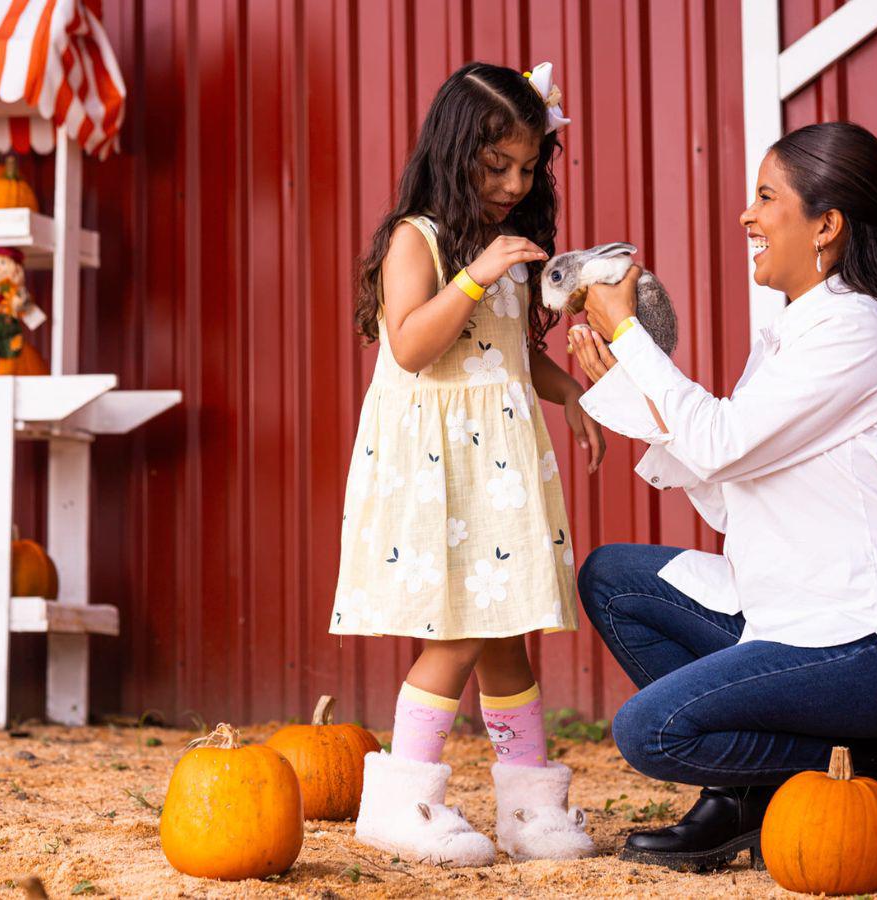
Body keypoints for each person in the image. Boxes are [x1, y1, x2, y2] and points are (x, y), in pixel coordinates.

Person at [569, 121, 877, 874]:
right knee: (613, 580)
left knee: (652, 732)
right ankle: (752, 795)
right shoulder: (797, 332)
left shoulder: (855, 332)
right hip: (802, 606)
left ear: (826, 225)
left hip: (872, 637)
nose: (748, 217)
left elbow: (721, 441)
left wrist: (631, 337)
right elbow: (735, 492)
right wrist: (621, 385)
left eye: (766, 198)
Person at [332, 61, 603, 866]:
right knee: (453, 633)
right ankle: (401, 800)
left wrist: (571, 395)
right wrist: (475, 277)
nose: (516, 183)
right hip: (436, 466)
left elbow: (511, 358)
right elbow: (413, 345)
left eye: (528, 167)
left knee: (507, 633)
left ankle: (529, 809)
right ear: (454, 153)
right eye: (497, 167)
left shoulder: (506, 246)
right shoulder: (418, 239)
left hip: (499, 466)